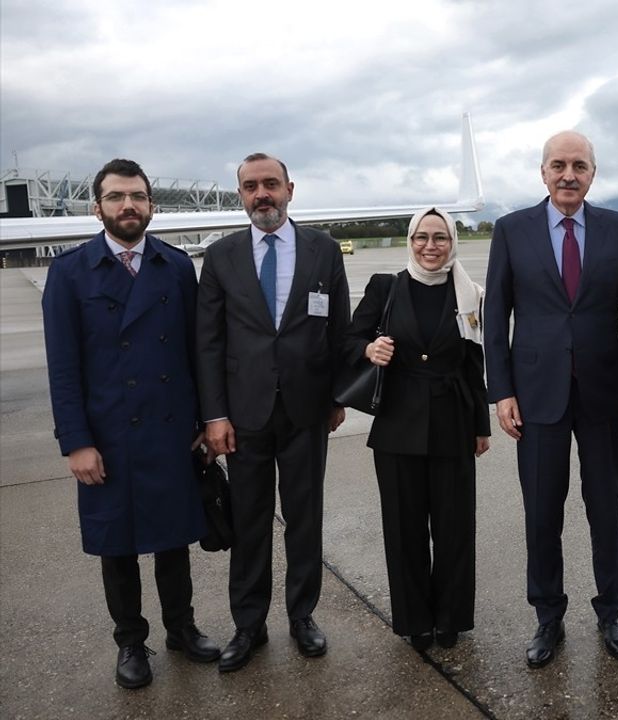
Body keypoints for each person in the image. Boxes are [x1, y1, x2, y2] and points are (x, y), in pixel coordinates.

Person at [43, 158, 222, 690]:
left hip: (168, 430)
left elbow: (196, 352)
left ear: (152, 206)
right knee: (116, 545)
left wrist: (201, 420)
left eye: (138, 197)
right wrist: (75, 443)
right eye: (117, 197)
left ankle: (181, 629)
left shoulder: (174, 266)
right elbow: (63, 369)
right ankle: (129, 642)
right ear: (97, 207)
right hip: (107, 436)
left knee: (174, 541)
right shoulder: (70, 272)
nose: (129, 206)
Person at [483, 130, 618, 668]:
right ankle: (547, 616)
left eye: (579, 165)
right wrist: (502, 390)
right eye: (558, 165)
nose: (568, 174)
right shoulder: (511, 231)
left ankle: (611, 612)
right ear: (543, 172)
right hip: (536, 395)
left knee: (607, 510)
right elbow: (495, 317)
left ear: (593, 174)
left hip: (603, 393)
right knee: (541, 513)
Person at [196, 153, 351, 673]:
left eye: (270, 184)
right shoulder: (220, 257)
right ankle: (249, 625)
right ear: (240, 195)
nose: (261, 194)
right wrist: (214, 415)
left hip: (307, 410)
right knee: (250, 520)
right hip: (244, 415)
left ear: (290, 188)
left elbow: (340, 330)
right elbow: (209, 343)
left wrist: (337, 399)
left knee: (305, 519)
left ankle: (302, 616)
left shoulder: (323, 250)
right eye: (250, 187)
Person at [345, 207, 490, 654]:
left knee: (454, 528)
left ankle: (451, 618)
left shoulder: (469, 294)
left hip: (453, 421)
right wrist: (370, 347)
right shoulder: (385, 288)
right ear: (410, 241)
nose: (430, 246)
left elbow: (474, 364)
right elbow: (347, 340)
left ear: (452, 242)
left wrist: (480, 426)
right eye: (422, 237)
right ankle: (415, 620)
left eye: (440, 238)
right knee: (404, 528)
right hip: (397, 426)